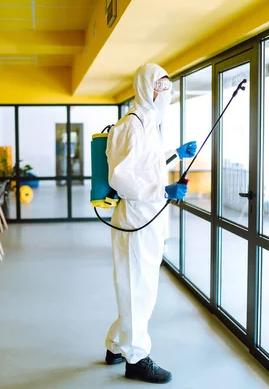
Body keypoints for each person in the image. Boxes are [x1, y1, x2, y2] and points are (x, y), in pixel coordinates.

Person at [104, 63, 197, 384]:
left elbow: (147, 162)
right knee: (136, 287)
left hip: (149, 216)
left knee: (141, 286)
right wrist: (163, 189)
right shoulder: (131, 125)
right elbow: (120, 177)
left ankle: (117, 344)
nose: (165, 91)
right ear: (145, 86)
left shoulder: (149, 123)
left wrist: (174, 154)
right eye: (160, 85)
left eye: (168, 85)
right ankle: (136, 358)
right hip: (135, 217)